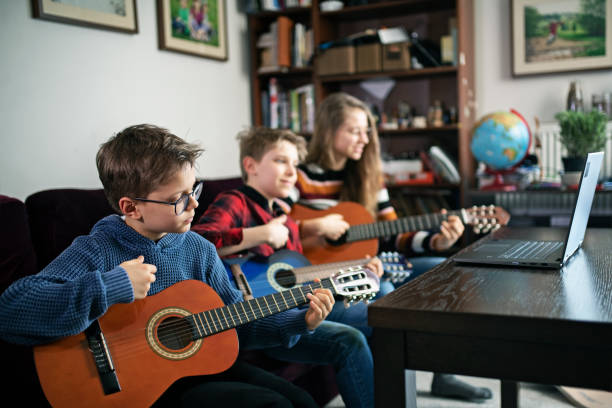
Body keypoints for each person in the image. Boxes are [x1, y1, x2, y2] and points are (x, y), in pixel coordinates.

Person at [0, 124, 334, 408]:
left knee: (300, 400)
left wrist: (298, 321)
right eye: (180, 198)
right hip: (138, 387)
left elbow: (237, 322)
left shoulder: (198, 250)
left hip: (195, 367)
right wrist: (111, 286)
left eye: (194, 190)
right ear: (131, 207)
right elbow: (12, 310)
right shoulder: (97, 249)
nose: (195, 204)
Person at [285, 92, 493, 402]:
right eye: (355, 131)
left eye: (367, 131)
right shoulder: (298, 176)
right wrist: (314, 228)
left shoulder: (370, 176)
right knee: (381, 291)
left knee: (445, 268)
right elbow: (278, 229)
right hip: (317, 276)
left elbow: (392, 234)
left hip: (366, 265)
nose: (364, 139)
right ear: (329, 132)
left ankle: (443, 375)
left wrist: (437, 241)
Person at [192, 127, 381, 408]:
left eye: (295, 164)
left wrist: (358, 268)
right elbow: (196, 242)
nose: (292, 171)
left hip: (293, 311)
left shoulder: (286, 219)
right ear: (251, 165)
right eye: (281, 160)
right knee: (349, 340)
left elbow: (295, 278)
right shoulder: (235, 201)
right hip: (257, 319)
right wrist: (259, 235)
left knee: (378, 313)